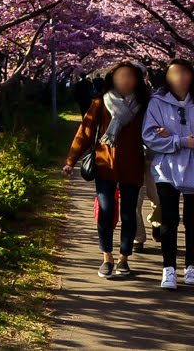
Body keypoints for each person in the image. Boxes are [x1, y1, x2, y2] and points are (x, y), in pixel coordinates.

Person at [64, 61, 148, 278]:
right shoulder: (101, 103)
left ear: (137, 80)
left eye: (130, 76)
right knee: (106, 210)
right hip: (104, 164)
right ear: (113, 78)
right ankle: (107, 257)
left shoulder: (144, 104)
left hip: (132, 165)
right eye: (121, 76)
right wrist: (71, 160)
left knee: (129, 214)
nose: (126, 80)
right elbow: (85, 132)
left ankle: (124, 258)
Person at [142, 57, 194, 290]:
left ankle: (191, 267)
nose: (180, 78)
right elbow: (150, 137)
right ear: (166, 77)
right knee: (169, 220)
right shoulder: (157, 102)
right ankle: (168, 269)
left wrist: (169, 137)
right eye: (174, 74)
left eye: (184, 73)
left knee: (193, 222)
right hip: (167, 170)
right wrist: (182, 141)